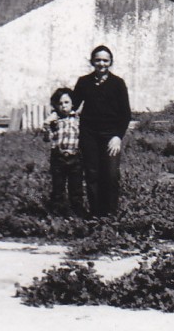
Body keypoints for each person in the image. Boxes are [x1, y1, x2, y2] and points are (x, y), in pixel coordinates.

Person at [72, 45, 131, 217]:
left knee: (111, 175)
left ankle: (110, 216)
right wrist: (55, 114)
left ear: (111, 62)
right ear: (92, 61)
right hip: (89, 135)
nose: (101, 64)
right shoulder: (83, 82)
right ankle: (95, 215)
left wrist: (117, 137)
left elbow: (125, 114)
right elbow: (73, 104)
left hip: (110, 136)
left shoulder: (118, 83)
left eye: (105, 60)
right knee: (92, 174)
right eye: (98, 60)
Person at [41, 87, 85, 217]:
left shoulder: (78, 118)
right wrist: (47, 125)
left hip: (75, 157)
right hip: (58, 157)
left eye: (66, 102)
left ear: (72, 104)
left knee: (76, 187)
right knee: (58, 187)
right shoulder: (55, 120)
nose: (63, 106)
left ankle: (77, 213)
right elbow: (46, 139)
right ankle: (57, 212)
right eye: (60, 103)